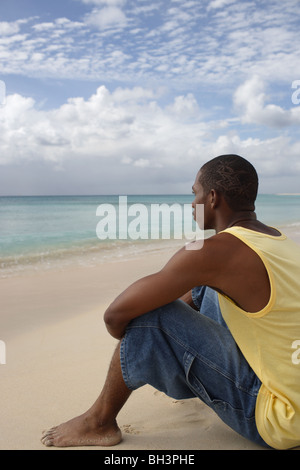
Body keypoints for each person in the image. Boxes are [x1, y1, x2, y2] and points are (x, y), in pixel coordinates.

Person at [41, 154, 300, 450]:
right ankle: (191, 371)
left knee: (151, 315)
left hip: (280, 419)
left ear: (212, 198)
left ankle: (99, 422)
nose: (192, 204)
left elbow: (115, 316)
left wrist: (147, 338)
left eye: (195, 194)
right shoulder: (279, 241)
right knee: (203, 289)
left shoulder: (211, 252)